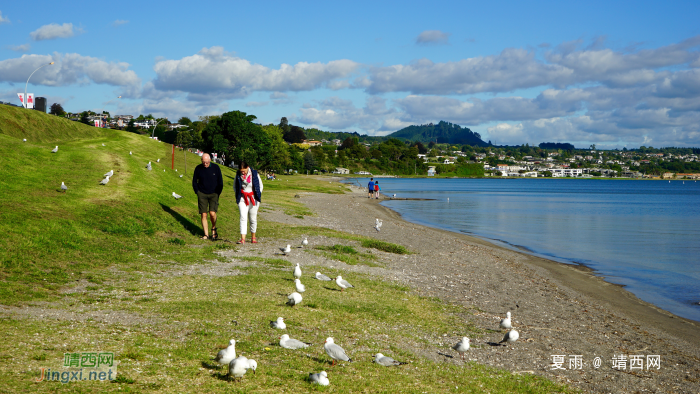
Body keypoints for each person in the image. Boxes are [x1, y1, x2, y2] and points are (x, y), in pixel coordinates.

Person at [192, 153, 223, 240]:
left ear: (210, 160)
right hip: (202, 193)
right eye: (203, 162)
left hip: (214, 194)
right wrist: (197, 191)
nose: (205, 163)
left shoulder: (216, 168)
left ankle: (213, 228)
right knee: (203, 214)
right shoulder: (198, 168)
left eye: (206, 162)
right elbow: (194, 181)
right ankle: (206, 234)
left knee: (212, 213)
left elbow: (220, 181)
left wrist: (218, 193)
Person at [235, 161, 263, 244]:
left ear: (248, 167)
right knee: (243, 217)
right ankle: (242, 238)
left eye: (244, 170)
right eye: (241, 171)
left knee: (253, 218)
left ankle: (253, 237)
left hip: (253, 198)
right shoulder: (238, 175)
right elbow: (235, 186)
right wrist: (239, 195)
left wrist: (257, 194)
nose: (242, 172)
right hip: (242, 198)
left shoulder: (254, 174)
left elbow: (261, 186)